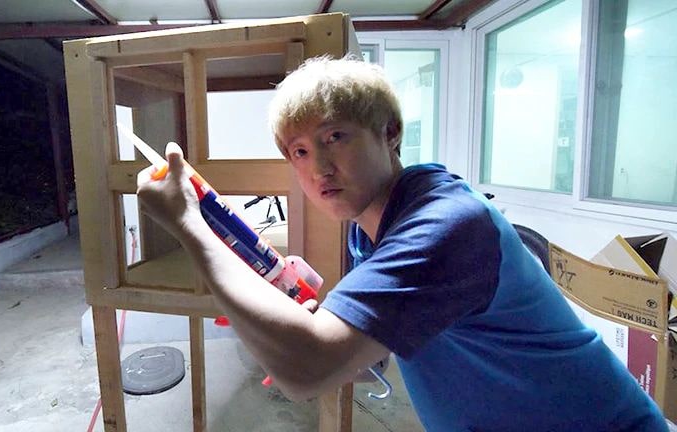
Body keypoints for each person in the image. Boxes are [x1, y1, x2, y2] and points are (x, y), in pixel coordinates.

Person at [136, 56, 668, 431]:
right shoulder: (372, 225)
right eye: (298, 151)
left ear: (389, 132)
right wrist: (297, 303)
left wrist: (189, 226)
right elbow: (374, 352)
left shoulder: (446, 225)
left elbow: (307, 371)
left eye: (334, 137)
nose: (319, 167)